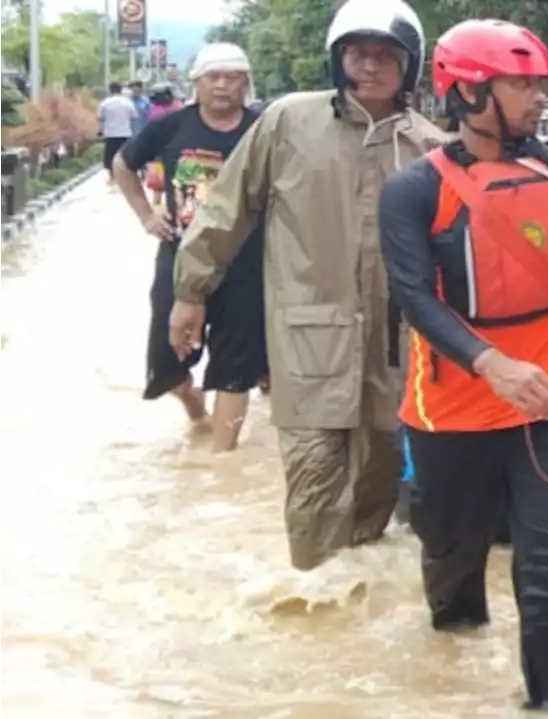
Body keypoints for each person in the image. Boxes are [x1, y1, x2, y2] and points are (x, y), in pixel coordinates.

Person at [168, 0, 448, 571]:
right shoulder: (289, 122)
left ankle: (356, 626)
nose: (368, 67)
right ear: (336, 59)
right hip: (307, 341)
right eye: (356, 54)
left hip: (397, 351)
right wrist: (190, 291)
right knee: (315, 489)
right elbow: (224, 208)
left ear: (410, 65)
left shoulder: (430, 150)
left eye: (384, 56)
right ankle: (313, 602)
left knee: (377, 489)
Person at [378, 18, 548, 711]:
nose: (541, 97)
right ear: (471, 93)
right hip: (453, 404)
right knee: (453, 556)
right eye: (521, 83)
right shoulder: (412, 190)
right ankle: (455, 652)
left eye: (541, 82)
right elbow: (414, 296)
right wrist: (491, 363)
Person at [113, 43, 268, 452]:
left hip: (246, 264)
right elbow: (123, 165)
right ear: (196, 83)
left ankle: (222, 462)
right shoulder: (171, 127)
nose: (222, 86)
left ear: (245, 83)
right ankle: (196, 412)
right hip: (180, 260)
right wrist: (147, 216)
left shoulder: (264, 128)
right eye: (213, 78)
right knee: (166, 361)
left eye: (232, 78)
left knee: (236, 367)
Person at [99, 82, 137, 185]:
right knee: (124, 157)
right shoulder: (127, 103)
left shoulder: (105, 103)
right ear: (120, 90)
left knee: (110, 156)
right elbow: (134, 117)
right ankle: (125, 179)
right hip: (125, 133)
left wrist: (101, 130)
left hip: (110, 134)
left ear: (110, 90)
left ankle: (112, 178)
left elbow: (101, 118)